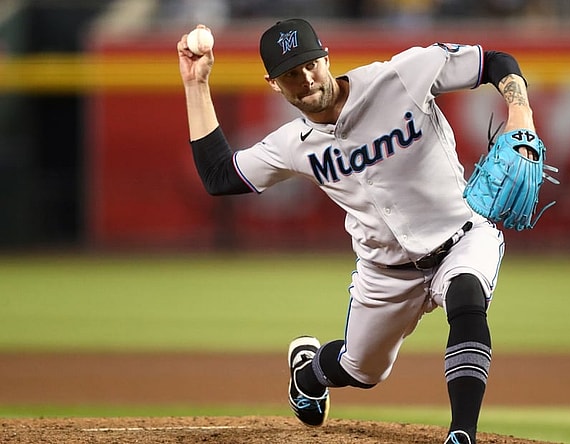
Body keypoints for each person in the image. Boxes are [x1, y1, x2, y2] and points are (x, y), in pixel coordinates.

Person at [177, 18, 541, 444]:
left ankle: (462, 434)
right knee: (360, 370)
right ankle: (308, 373)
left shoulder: (401, 76)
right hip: (386, 271)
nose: (306, 78)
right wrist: (196, 84)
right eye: (290, 74)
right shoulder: (293, 144)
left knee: (466, 297)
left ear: (326, 57)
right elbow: (220, 176)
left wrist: (522, 114)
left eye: (310, 64)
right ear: (274, 84)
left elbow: (495, 62)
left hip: (462, 236)